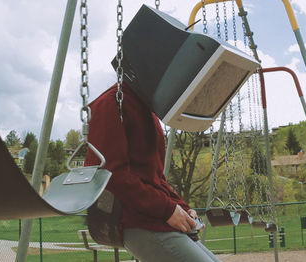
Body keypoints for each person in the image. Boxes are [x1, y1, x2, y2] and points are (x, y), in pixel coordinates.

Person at [84, 82, 222, 262]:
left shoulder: (147, 109)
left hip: (154, 217)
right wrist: (167, 209)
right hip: (134, 220)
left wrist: (180, 206)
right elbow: (110, 176)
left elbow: (155, 178)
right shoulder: (110, 104)